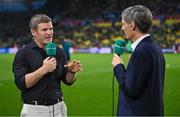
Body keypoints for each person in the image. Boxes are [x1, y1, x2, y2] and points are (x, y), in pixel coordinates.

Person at [12, 14, 82, 117]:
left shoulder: (58, 51)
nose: (49, 33)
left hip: (60, 108)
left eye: (51, 29)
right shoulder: (23, 53)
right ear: (33, 32)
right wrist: (43, 69)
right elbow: (22, 84)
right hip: (35, 110)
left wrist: (71, 72)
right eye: (44, 30)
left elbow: (67, 81)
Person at [112, 5, 165, 116]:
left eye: (123, 24)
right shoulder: (153, 47)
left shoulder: (143, 51)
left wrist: (118, 67)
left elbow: (131, 90)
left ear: (132, 25)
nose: (122, 28)